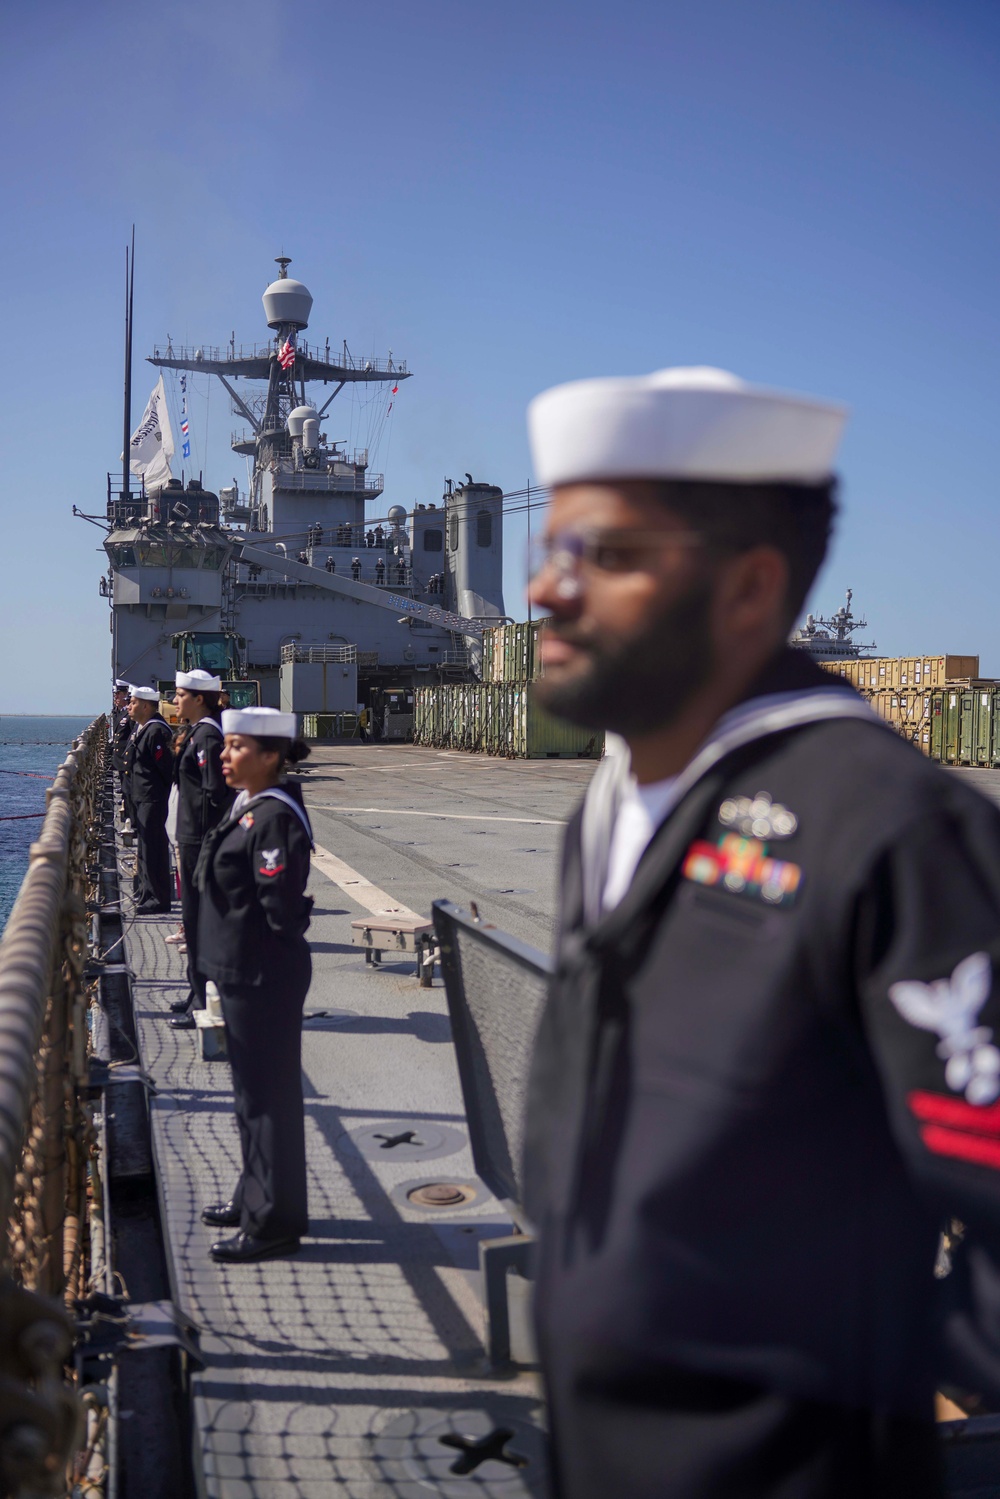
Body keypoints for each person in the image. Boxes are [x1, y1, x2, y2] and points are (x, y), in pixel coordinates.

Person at [521, 366, 1000, 1499]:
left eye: (608, 555)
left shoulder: (886, 828)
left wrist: (888, 1379)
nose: (545, 586)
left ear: (748, 589)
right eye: (551, 549)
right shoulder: (617, 801)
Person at [195, 706, 314, 1263]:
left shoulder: (272, 818)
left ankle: (273, 1224)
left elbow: (281, 906)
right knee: (252, 1097)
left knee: (268, 1101)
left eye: (237, 746)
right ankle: (254, 1195)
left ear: (270, 757)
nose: (224, 753)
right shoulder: (250, 806)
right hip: (245, 970)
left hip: (262, 973)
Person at [168, 669, 235, 1030]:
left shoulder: (207, 736)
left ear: (197, 698)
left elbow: (215, 794)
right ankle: (197, 992)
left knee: (200, 922)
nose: (175, 701)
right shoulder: (197, 733)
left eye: (180, 695)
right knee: (194, 922)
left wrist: (209, 843)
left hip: (199, 841)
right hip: (190, 838)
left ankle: (205, 996)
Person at [125, 686, 174, 913]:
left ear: (146, 706)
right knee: (144, 849)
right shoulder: (143, 727)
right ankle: (147, 893)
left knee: (154, 849)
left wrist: (160, 794)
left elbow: (165, 768)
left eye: (133, 702)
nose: (129, 706)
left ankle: (158, 899)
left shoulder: (156, 732)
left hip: (152, 798)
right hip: (142, 797)